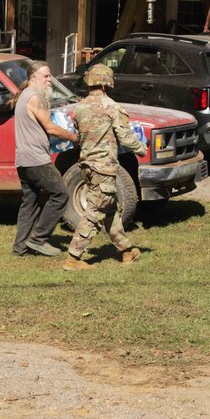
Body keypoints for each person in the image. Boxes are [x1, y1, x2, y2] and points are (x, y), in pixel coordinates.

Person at [63, 64, 147, 271]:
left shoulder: (79, 108)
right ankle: (73, 257)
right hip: (104, 168)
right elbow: (126, 138)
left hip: (86, 166)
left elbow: (80, 135)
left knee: (110, 208)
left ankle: (126, 250)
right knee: (95, 211)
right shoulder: (113, 107)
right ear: (108, 83)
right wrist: (142, 148)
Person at [11, 60, 79, 257]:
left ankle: (20, 248)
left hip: (23, 160)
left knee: (29, 203)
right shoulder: (35, 98)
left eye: (49, 75)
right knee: (61, 194)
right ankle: (38, 239)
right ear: (33, 77)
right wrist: (74, 137)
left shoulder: (24, 96)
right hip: (37, 160)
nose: (49, 80)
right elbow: (50, 127)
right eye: (46, 76)